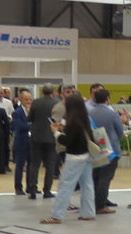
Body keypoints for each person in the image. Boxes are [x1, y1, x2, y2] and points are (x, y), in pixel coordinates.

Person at [41, 94, 96, 224]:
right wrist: (64, 128)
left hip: (75, 157)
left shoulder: (73, 122)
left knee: (65, 185)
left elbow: (67, 141)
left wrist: (56, 132)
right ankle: (88, 213)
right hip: (87, 156)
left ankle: (56, 215)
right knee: (87, 185)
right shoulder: (84, 119)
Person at [88, 89, 124, 214]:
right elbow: (120, 132)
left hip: (95, 151)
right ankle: (101, 206)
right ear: (108, 99)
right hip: (111, 151)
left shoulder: (90, 113)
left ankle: (93, 204)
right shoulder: (113, 114)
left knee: (95, 178)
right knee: (105, 179)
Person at [27, 85, 58, 200]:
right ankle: (47, 190)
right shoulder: (56, 103)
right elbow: (57, 120)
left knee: (34, 165)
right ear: (52, 92)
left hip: (36, 137)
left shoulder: (36, 102)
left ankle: (32, 190)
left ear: (42, 91)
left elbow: (29, 118)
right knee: (50, 166)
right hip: (51, 137)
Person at [11, 89, 32, 196]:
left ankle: (30, 186)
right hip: (21, 142)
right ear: (21, 100)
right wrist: (32, 125)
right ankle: (18, 187)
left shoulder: (33, 111)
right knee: (20, 166)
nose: (28, 101)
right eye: (26, 99)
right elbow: (20, 126)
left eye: (30, 99)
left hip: (32, 142)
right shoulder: (17, 112)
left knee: (31, 166)